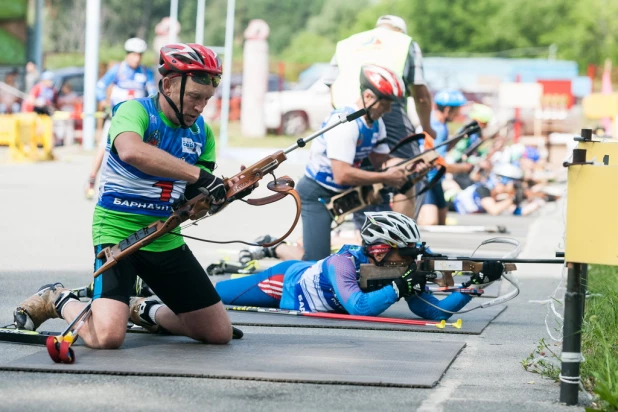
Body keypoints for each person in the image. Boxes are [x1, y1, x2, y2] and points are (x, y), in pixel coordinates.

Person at [14, 43, 238, 348]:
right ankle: (57, 297)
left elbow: (191, 205)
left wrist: (222, 196)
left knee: (217, 334)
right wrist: (201, 176)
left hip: (164, 235)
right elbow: (131, 151)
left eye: (207, 100)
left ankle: (144, 310)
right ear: (170, 84)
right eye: (194, 98)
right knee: (107, 338)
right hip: (118, 234)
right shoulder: (135, 110)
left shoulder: (202, 134)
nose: (200, 107)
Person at [241, 65, 415, 263]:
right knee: (315, 264)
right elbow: (342, 173)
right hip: (318, 194)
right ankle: (273, 246)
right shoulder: (346, 124)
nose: (389, 109)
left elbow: (381, 162)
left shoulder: (376, 122)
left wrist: (409, 167)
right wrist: (386, 177)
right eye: (385, 103)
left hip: (348, 192)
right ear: (368, 97)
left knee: (379, 251)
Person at [218, 211, 505, 321]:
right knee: (213, 296)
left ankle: (271, 247)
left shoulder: (400, 271)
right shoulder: (342, 263)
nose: (411, 260)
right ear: (381, 251)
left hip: (305, 274)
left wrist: (474, 284)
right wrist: (399, 287)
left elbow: (432, 312)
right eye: (405, 253)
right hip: (282, 284)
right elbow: (359, 308)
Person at [325, 15, 436, 219]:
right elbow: (420, 95)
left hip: (346, 110)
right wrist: (428, 129)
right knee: (406, 171)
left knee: (360, 171)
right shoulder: (404, 43)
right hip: (386, 105)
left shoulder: (347, 43)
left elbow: (332, 85)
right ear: (400, 30)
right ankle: (403, 243)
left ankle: (361, 233)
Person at [85, 37, 157, 200]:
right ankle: (91, 179)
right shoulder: (118, 70)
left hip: (138, 120)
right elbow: (100, 87)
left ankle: (135, 186)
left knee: (138, 150)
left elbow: (153, 94)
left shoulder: (146, 72)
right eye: (133, 54)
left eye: (139, 55)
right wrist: (104, 103)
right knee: (104, 147)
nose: (136, 58)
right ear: (127, 54)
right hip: (116, 117)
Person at [416, 89, 474, 226]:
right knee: (430, 222)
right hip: (425, 179)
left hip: (436, 179)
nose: (459, 113)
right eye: (457, 110)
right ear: (448, 110)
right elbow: (435, 162)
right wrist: (463, 168)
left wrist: (460, 136)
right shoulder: (434, 126)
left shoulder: (441, 125)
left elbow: (442, 149)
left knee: (441, 221)